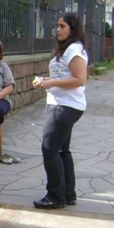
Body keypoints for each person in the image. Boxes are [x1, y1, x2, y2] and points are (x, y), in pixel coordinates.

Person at [32, 13, 88, 209]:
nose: (58, 30)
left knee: (49, 149)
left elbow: (80, 79)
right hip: (63, 104)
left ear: (73, 28)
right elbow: (64, 75)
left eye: (62, 26)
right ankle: (67, 193)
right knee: (62, 150)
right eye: (57, 26)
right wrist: (46, 80)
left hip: (64, 106)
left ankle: (55, 196)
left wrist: (51, 83)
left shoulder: (73, 49)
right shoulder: (69, 48)